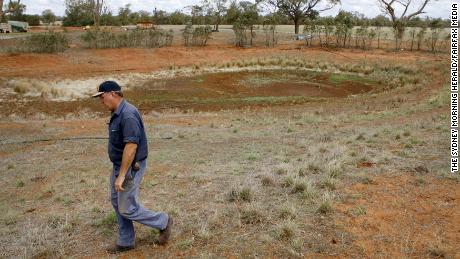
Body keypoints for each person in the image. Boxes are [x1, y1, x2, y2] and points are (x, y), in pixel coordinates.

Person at [92, 81, 173, 253]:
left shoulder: (127, 115)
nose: (101, 100)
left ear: (113, 93)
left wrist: (121, 175)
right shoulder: (117, 112)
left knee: (127, 208)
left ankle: (163, 221)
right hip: (119, 166)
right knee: (116, 201)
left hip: (130, 168)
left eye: (102, 96)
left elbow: (131, 146)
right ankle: (126, 241)